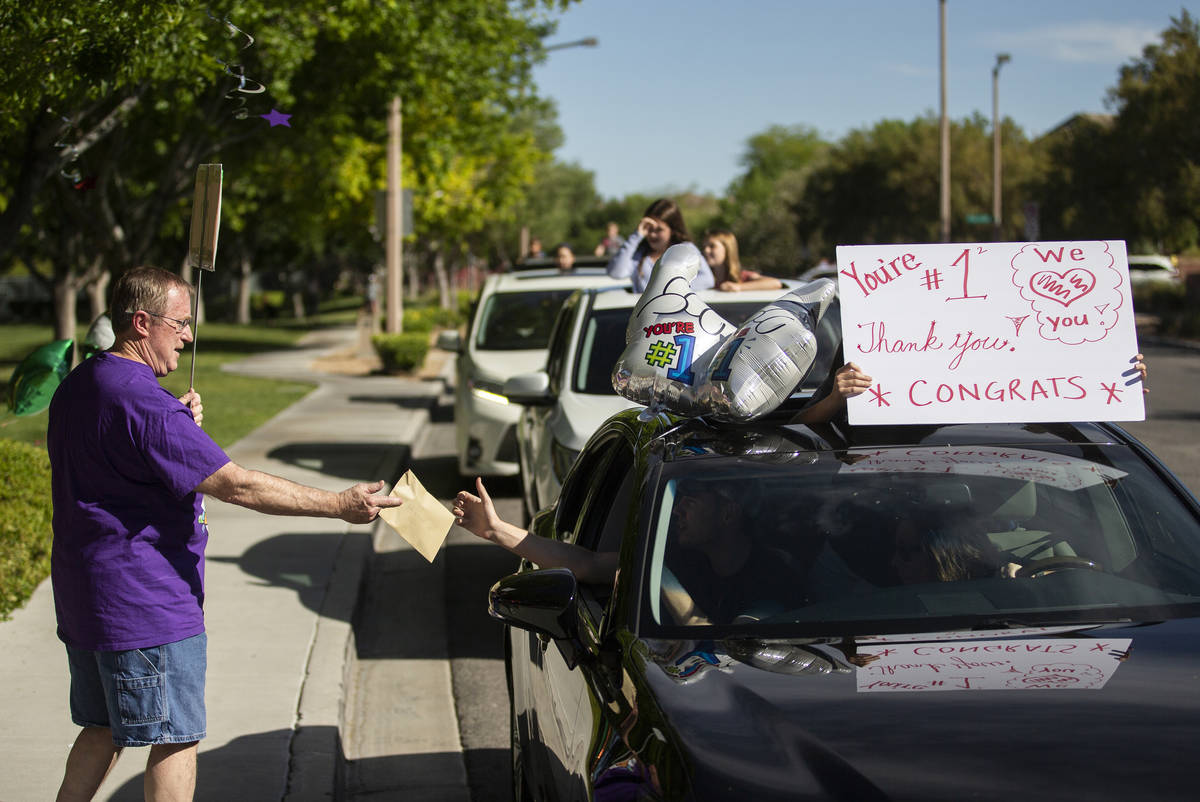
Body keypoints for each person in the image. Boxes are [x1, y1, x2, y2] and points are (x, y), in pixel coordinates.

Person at [47, 266, 402, 802]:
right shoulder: (148, 406)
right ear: (141, 323)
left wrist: (177, 423)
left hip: (87, 600)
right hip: (147, 605)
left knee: (101, 730)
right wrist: (339, 504)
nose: (188, 336)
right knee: (174, 739)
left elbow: (121, 460)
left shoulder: (81, 385)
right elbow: (239, 486)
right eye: (180, 324)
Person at [606, 198, 715, 293]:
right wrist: (636, 235)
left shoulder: (686, 250)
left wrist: (668, 291)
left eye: (659, 230)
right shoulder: (638, 254)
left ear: (672, 230)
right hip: (644, 316)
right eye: (649, 229)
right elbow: (616, 272)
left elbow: (707, 279)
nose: (653, 234)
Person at [701, 229, 783, 292]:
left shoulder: (742, 277)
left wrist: (739, 287)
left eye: (712, 246)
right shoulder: (701, 278)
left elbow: (775, 283)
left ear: (727, 249)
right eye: (704, 247)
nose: (706, 250)